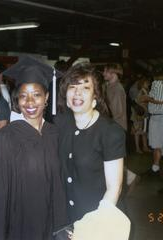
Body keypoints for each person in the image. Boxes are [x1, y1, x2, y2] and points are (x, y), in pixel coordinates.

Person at [0, 56, 68, 240]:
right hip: (19, 225)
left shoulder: (55, 134)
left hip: (51, 222)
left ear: (46, 97)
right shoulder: (5, 138)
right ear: (17, 99)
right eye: (23, 95)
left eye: (36, 94)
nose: (29, 102)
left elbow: (60, 184)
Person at [55, 64, 129, 238]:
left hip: (98, 218)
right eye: (72, 87)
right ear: (66, 95)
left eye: (85, 88)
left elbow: (114, 188)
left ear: (95, 96)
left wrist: (92, 226)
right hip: (66, 217)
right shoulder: (60, 124)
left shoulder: (110, 132)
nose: (77, 93)